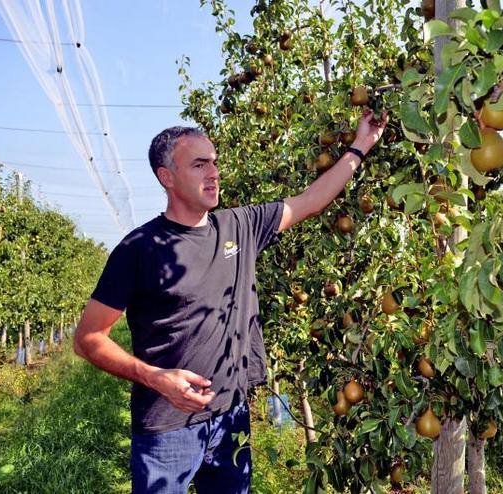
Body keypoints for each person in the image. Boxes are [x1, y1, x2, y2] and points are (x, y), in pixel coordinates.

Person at [73, 108, 387, 494]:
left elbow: (311, 200)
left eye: (215, 162)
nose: (214, 172)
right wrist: (155, 377)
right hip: (166, 427)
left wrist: (361, 145)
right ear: (166, 177)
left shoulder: (239, 226)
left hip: (230, 419)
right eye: (199, 164)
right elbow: (88, 338)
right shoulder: (139, 249)